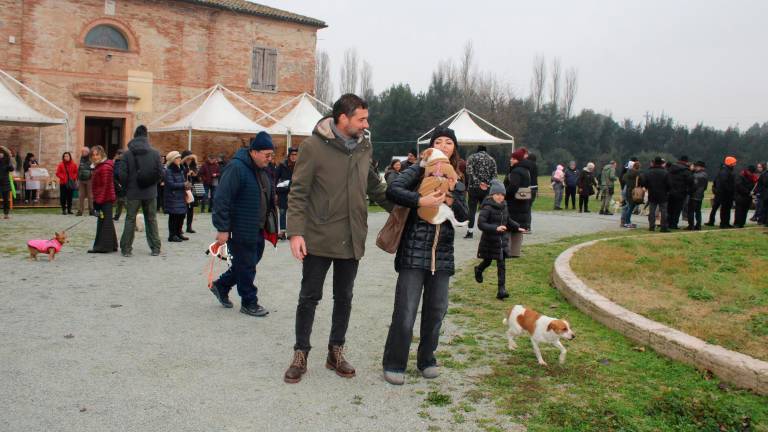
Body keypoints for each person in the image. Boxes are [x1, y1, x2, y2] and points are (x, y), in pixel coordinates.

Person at [283, 94, 391, 384]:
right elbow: (298, 192)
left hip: (352, 235)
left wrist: (403, 210)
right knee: (309, 297)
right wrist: (295, 233)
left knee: (344, 297)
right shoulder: (312, 147)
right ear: (343, 118)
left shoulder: (364, 145)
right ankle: (300, 354)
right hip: (318, 235)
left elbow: (374, 185)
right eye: (361, 119)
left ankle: (336, 352)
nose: (366, 124)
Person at [381, 126, 467, 385]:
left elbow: (465, 216)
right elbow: (392, 190)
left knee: (437, 310)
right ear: (431, 146)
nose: (443, 145)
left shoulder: (457, 177)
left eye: (448, 142)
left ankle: (426, 359)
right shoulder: (418, 169)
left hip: (442, 255)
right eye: (438, 141)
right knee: (406, 310)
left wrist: (452, 200)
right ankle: (395, 363)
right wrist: (421, 201)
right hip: (413, 252)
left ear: (454, 148)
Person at [209, 132, 277, 317]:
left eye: (272, 155)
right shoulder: (236, 168)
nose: (270, 159)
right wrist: (222, 228)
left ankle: (221, 286)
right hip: (240, 227)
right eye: (267, 155)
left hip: (257, 226)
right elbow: (222, 199)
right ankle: (249, 301)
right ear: (254, 152)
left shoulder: (261, 169)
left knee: (250, 260)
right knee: (247, 264)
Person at [117, 125, 163, 257]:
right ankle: (155, 248)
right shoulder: (155, 153)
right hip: (150, 191)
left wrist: (127, 187)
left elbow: (122, 174)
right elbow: (160, 173)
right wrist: (152, 183)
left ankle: (126, 249)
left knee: (130, 219)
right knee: (151, 219)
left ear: (135, 136)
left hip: (133, 192)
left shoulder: (127, 154)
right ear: (146, 136)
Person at [474, 179, 524, 300]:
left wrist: (517, 226)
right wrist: (495, 228)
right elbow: (481, 224)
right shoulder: (487, 207)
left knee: (501, 265)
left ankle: (501, 290)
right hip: (490, 241)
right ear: (492, 195)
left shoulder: (504, 206)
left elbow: (507, 220)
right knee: (488, 261)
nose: (500, 197)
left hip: (501, 241)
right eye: (497, 194)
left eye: (502, 195)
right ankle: (478, 269)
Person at [88, 145, 117, 253]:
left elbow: (105, 186)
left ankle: (103, 247)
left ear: (102, 154)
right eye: (93, 155)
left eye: (97, 154)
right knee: (106, 221)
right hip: (103, 198)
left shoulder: (105, 167)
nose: (95, 157)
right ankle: (112, 245)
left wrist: (98, 202)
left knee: (104, 222)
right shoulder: (99, 166)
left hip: (105, 198)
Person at [464, 145, 497, 239]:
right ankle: (486, 231)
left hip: (473, 188)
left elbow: (469, 172)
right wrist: (487, 184)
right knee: (486, 210)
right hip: (487, 189)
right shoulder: (492, 159)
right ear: (486, 151)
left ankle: (470, 232)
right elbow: (494, 175)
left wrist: (478, 182)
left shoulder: (472, 157)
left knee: (472, 210)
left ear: (477, 150)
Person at [640, 157, 671, 232]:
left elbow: (644, 183)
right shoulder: (665, 172)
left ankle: (651, 226)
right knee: (663, 211)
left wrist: (648, 187)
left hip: (652, 193)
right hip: (663, 194)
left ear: (654, 163)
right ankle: (663, 227)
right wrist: (667, 190)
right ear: (661, 163)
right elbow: (669, 184)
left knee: (652, 211)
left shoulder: (648, 172)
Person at [163, 151, 189, 242]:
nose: (179, 159)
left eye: (179, 158)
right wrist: (183, 184)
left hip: (181, 196)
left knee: (181, 216)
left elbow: (182, 180)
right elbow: (170, 184)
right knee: (174, 216)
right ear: (172, 160)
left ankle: (178, 233)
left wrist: (186, 185)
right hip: (173, 196)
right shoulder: (168, 170)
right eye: (177, 158)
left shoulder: (181, 169)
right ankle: (172, 235)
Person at [504, 149, 532, 229]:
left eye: (513, 159)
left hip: (514, 203)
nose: (511, 160)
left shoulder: (516, 171)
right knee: (519, 229)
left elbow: (513, 187)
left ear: (518, 160)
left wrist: (504, 195)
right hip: (523, 200)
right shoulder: (525, 170)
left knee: (513, 229)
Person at [275, 147, 298, 239]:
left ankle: (293, 232)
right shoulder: (282, 166)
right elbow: (275, 178)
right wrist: (275, 193)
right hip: (283, 192)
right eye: (292, 155)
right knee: (282, 212)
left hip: (295, 192)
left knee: (294, 212)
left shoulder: (300, 165)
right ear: (289, 155)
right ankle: (283, 232)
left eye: (296, 155)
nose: (294, 157)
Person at [666, 156, 693, 229]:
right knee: (677, 209)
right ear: (686, 161)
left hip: (670, 191)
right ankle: (674, 224)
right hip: (680, 192)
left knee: (669, 208)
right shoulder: (686, 170)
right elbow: (690, 181)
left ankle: (668, 223)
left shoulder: (671, 168)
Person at [714, 156, 737, 228]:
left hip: (726, 193)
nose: (735, 164)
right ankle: (723, 223)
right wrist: (730, 190)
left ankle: (726, 223)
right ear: (730, 163)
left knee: (727, 209)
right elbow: (724, 183)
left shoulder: (726, 170)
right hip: (725, 194)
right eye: (734, 163)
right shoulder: (725, 171)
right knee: (725, 209)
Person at [180, 150, 199, 234]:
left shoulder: (193, 166)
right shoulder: (181, 166)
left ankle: (189, 226)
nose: (189, 161)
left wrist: (194, 175)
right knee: (183, 210)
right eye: (188, 159)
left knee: (191, 209)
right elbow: (179, 177)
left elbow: (197, 178)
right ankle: (179, 228)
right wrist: (186, 174)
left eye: (191, 159)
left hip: (192, 190)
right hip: (184, 190)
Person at [686, 161, 708, 230]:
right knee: (698, 211)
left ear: (700, 167)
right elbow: (705, 187)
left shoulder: (695, 175)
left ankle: (691, 225)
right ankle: (698, 225)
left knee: (691, 211)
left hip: (694, 195)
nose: (694, 167)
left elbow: (691, 182)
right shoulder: (705, 175)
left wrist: (689, 191)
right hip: (700, 195)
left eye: (696, 166)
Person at [621, 161, 641, 228]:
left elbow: (623, 178)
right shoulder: (637, 173)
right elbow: (640, 181)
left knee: (629, 207)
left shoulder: (628, 172)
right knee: (630, 208)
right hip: (634, 192)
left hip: (628, 190)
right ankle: (627, 222)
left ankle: (626, 221)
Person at [76, 146, 94, 216]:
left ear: (88, 152)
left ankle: (91, 210)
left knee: (90, 195)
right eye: (82, 151)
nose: (83, 153)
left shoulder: (91, 159)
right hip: (81, 179)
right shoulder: (80, 159)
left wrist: (91, 175)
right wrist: (77, 178)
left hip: (89, 179)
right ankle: (80, 210)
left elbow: (93, 168)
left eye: (84, 151)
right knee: (81, 196)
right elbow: (79, 169)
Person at [112, 149, 127, 221]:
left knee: (123, 201)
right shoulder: (115, 163)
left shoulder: (124, 163)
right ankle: (117, 215)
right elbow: (113, 175)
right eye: (119, 154)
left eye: (121, 154)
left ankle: (132, 215)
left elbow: (123, 174)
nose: (119, 155)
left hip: (123, 184)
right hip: (117, 183)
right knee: (119, 201)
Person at [0, 146, 15, 219]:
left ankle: (6, 214)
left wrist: (3, 147)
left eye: (1, 153)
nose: (0, 154)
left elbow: (12, 169)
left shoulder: (7, 160)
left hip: (5, 182)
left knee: (6, 199)